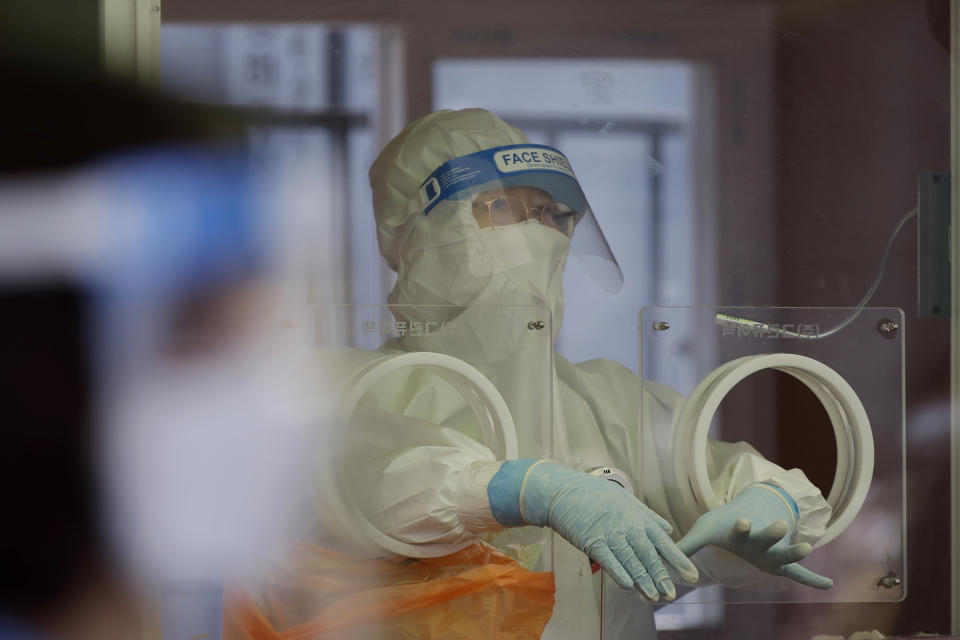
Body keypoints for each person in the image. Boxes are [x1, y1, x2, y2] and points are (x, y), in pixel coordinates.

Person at [347, 108, 832, 639]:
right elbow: (374, 486)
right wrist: (524, 490)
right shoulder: (363, 389)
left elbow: (723, 476)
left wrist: (771, 504)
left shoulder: (607, 397)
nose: (539, 231)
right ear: (420, 232)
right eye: (502, 207)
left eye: (550, 212)